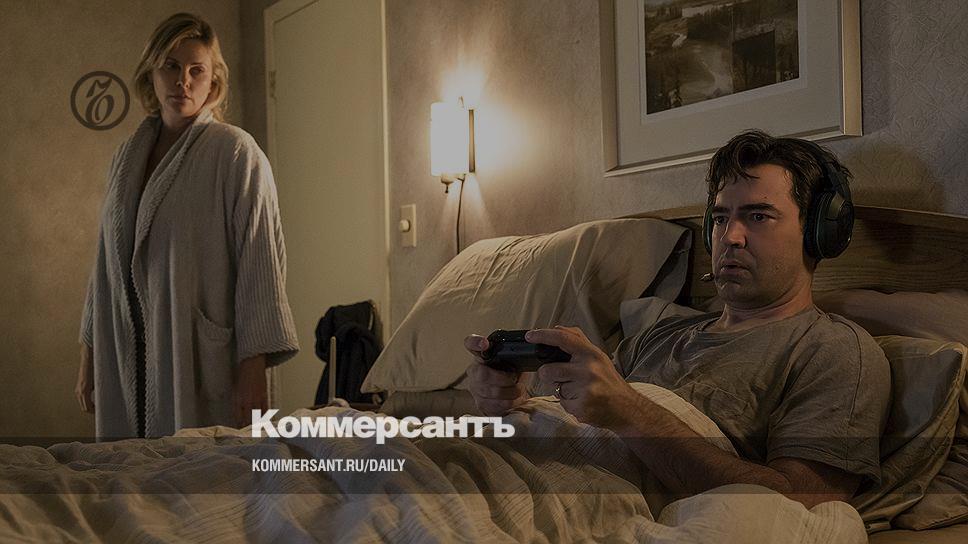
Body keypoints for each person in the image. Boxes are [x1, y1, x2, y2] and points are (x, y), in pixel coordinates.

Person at [464, 130, 891, 509]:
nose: (730, 237)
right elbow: (574, 429)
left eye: (758, 216)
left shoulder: (833, 350)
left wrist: (631, 413)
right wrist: (509, 401)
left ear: (819, 232)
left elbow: (801, 503)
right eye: (720, 218)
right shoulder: (658, 336)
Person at [75, 13, 299, 438]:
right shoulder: (125, 158)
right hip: (126, 352)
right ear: (151, 73)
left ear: (213, 81)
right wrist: (90, 351)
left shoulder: (236, 154)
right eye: (171, 66)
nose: (183, 81)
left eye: (197, 70)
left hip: (201, 356)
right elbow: (105, 262)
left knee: (201, 465)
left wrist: (253, 369)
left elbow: (260, 264)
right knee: (134, 472)